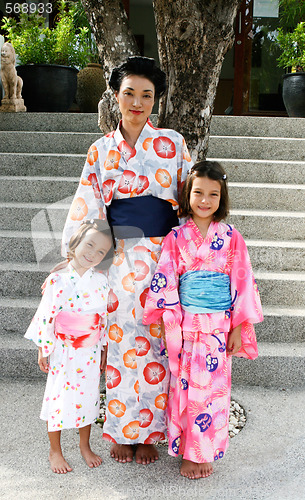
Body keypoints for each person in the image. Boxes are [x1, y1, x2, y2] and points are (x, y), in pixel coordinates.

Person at [61, 56, 193, 465]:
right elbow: (87, 206)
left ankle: (150, 432)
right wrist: (77, 260)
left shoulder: (172, 143)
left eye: (147, 95)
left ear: (156, 100)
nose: (137, 102)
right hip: (117, 255)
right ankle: (121, 430)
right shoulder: (101, 150)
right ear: (115, 97)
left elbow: (191, 203)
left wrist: (200, 253)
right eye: (129, 93)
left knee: (156, 340)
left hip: (163, 255)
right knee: (119, 342)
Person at [143, 161, 263, 479]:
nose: (205, 200)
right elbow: (166, 280)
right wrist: (171, 321)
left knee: (213, 392)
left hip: (218, 327)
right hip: (186, 325)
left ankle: (204, 451)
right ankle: (188, 451)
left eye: (213, 194)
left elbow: (243, 281)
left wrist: (240, 325)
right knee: (186, 392)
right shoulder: (177, 237)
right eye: (198, 193)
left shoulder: (232, 237)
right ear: (188, 194)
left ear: (222, 198)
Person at [25, 219, 113, 474]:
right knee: (59, 397)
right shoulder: (58, 280)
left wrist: (104, 348)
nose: (93, 254)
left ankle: (84, 445)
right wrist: (43, 348)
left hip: (90, 350)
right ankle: (55, 450)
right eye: (89, 245)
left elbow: (103, 317)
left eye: (100, 252)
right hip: (63, 349)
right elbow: (46, 316)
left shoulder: (101, 281)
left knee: (88, 397)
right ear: (75, 243)